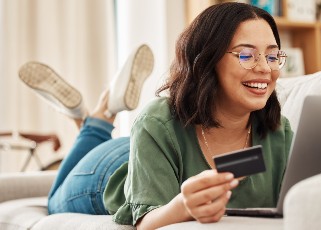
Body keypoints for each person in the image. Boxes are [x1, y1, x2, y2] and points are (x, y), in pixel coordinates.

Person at [19, 2, 293, 229]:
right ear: (207, 60)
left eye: (272, 56)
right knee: (53, 201)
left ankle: (95, 115)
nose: (265, 69)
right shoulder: (157, 121)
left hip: (153, 151)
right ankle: (98, 120)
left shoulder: (279, 132)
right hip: (109, 170)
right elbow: (146, 222)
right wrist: (183, 206)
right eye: (246, 55)